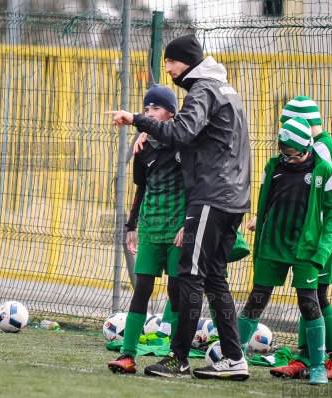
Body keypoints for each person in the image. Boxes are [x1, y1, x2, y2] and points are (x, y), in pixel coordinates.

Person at [106, 33, 251, 381]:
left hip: (212, 196)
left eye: (170, 61)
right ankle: (233, 358)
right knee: (214, 278)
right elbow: (200, 138)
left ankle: (179, 358)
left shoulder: (202, 89)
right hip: (232, 196)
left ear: (186, 60)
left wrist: (137, 121)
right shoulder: (223, 88)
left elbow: (183, 133)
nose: (167, 68)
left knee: (189, 275)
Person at [237, 116, 332, 385]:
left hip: (305, 250)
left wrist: (323, 251)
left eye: (294, 155)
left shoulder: (323, 170)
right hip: (272, 246)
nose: (289, 160)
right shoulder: (273, 166)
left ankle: (318, 365)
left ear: (307, 148)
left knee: (309, 303)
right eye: (284, 154)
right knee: (256, 300)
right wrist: (260, 232)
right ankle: (235, 354)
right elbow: (265, 202)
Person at [107, 84, 183, 374]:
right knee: (142, 289)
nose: (149, 114)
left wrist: (188, 223)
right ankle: (128, 354)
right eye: (146, 109)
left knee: (177, 291)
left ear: (171, 114)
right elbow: (141, 188)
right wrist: (131, 226)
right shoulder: (143, 147)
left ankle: (177, 356)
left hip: (178, 229)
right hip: (152, 226)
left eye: (155, 109)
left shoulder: (183, 144)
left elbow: (196, 187)